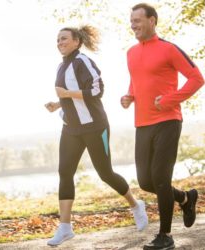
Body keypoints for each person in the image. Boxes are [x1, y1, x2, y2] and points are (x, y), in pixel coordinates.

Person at [45, 25, 148, 246]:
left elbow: (97, 89)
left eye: (64, 38)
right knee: (65, 172)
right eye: (58, 40)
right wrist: (58, 103)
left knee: (105, 173)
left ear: (76, 42)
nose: (60, 42)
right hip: (71, 128)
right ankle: (65, 227)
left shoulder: (83, 62)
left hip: (94, 126)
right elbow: (69, 97)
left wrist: (67, 94)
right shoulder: (61, 67)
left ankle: (135, 205)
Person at [121, 3, 205, 250]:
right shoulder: (131, 53)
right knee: (146, 181)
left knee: (160, 178)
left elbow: (197, 78)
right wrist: (129, 96)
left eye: (137, 20)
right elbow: (137, 80)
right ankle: (186, 198)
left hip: (168, 121)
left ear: (152, 21)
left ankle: (165, 236)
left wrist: (170, 100)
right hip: (142, 123)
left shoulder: (169, 49)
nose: (133, 24)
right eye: (131, 20)